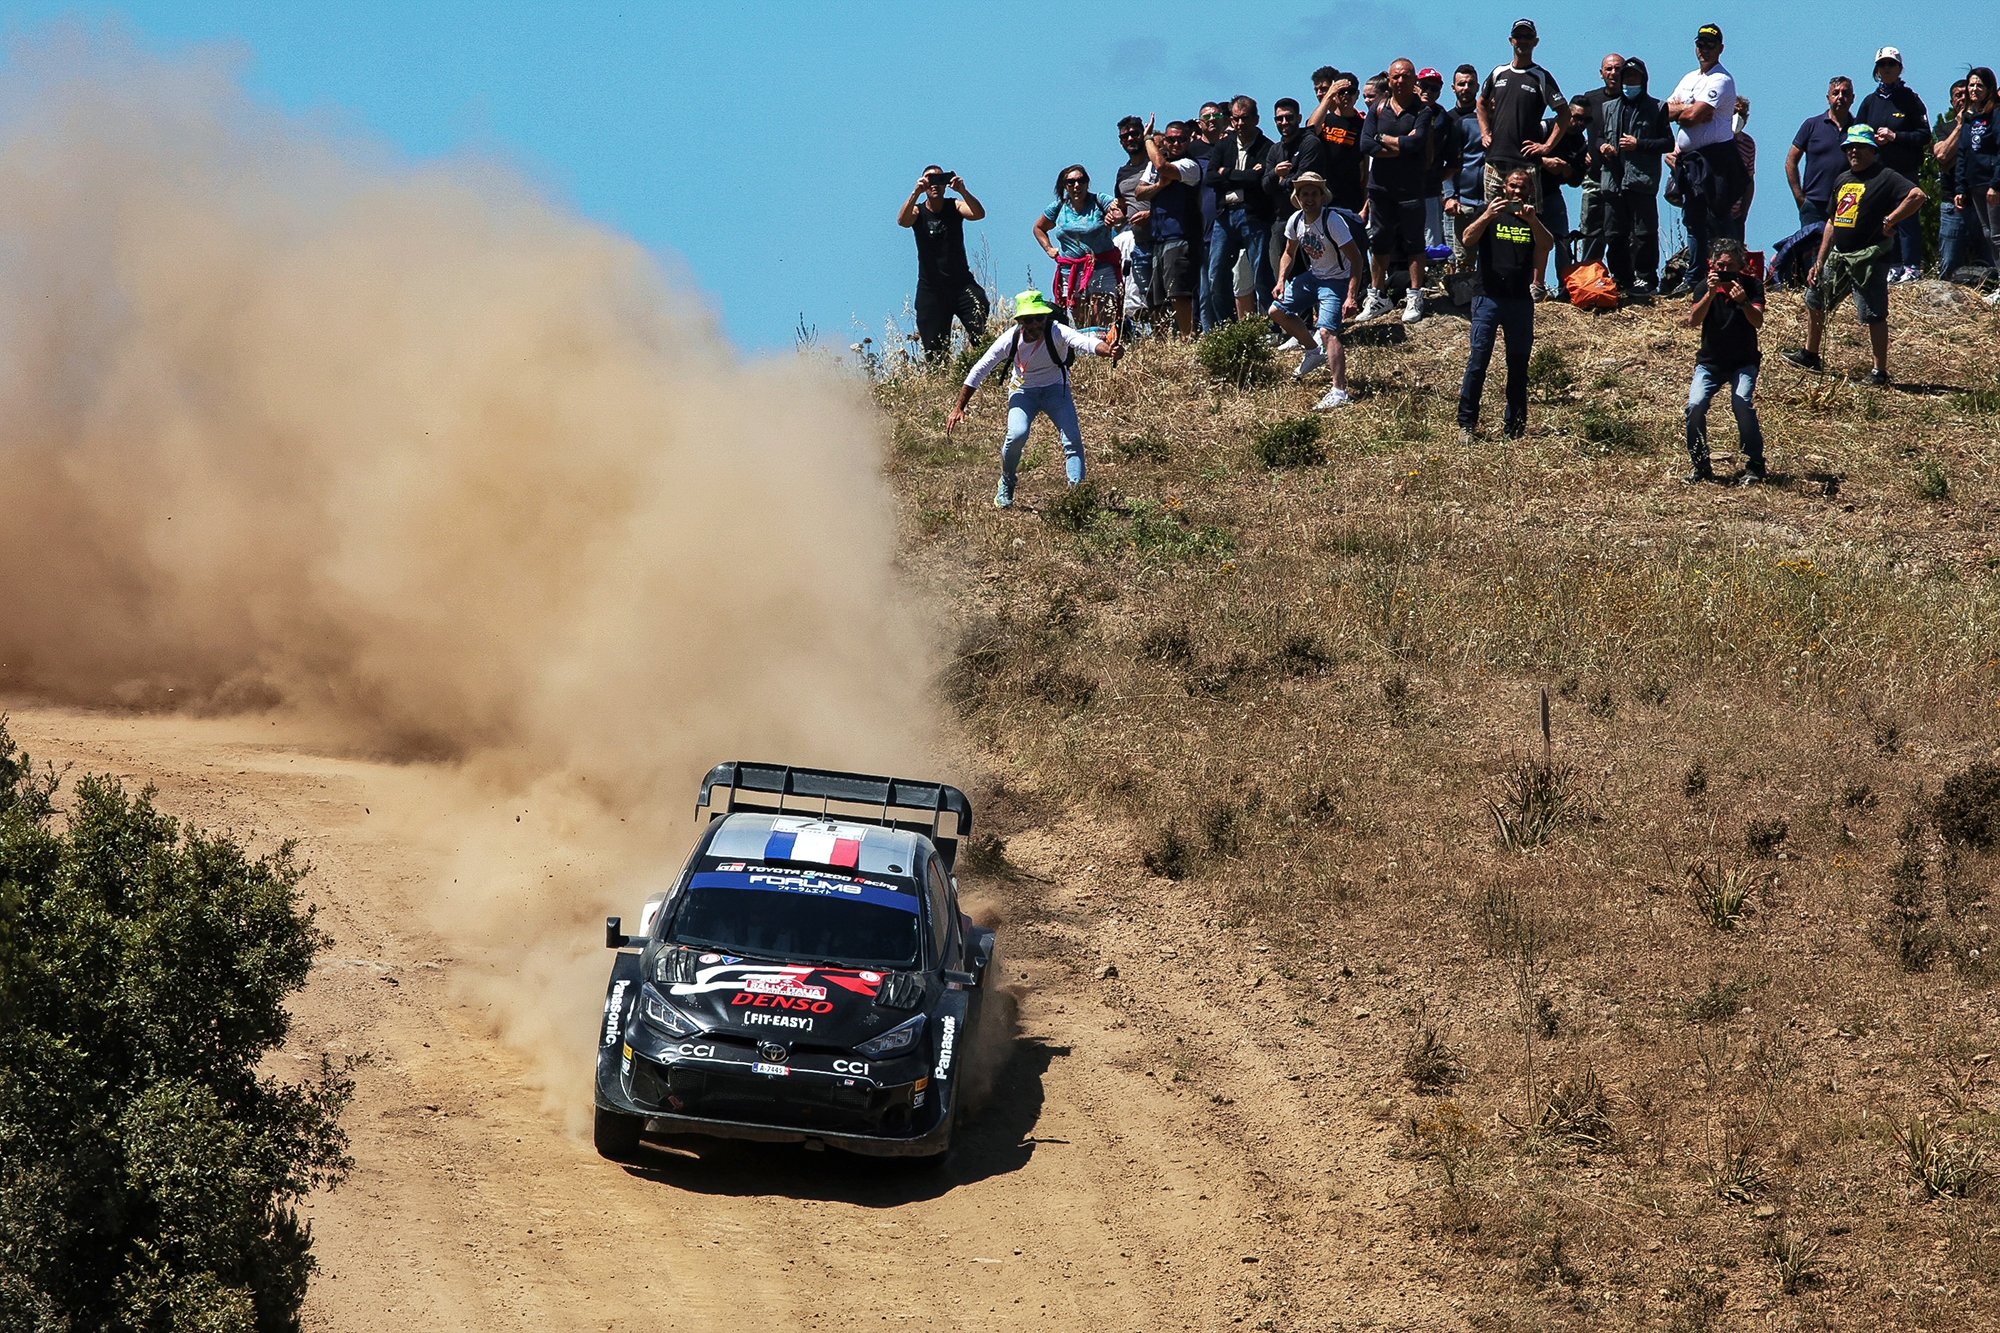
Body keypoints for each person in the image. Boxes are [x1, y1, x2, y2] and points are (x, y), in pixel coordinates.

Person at [946, 290, 1119, 509]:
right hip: (1023, 392)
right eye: (1029, 319)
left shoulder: (1057, 331)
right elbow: (981, 368)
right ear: (1020, 321)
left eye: (1040, 317)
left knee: (1072, 439)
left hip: (1056, 390)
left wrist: (1108, 351)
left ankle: (1078, 495)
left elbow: (1085, 342)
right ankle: (1007, 480)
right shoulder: (1010, 339)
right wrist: (959, 407)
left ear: (1047, 317)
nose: (1035, 323)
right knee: (1017, 435)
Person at [1784, 125, 1926, 385]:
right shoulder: (1843, 179)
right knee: (1815, 299)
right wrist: (1819, 260)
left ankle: (1879, 372)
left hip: (1869, 258)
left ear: (1872, 149)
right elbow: (1832, 221)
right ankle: (1810, 353)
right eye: (1849, 147)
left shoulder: (1885, 176)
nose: (1853, 151)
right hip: (1839, 255)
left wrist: (1891, 220)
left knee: (1874, 313)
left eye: (1859, 146)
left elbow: (1917, 195)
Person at [1457, 167, 1553, 443]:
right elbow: (1467, 240)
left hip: (1519, 301)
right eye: (1513, 186)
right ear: (1504, 188)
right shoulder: (1488, 212)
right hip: (1487, 296)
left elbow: (1546, 245)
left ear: (1530, 191)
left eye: (1523, 187)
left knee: (1519, 365)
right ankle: (1467, 424)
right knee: (1478, 360)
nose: (1517, 191)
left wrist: (1533, 221)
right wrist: (1488, 215)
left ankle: (1515, 428)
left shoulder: (1532, 217)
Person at [1267, 173, 1365, 410]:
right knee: (1276, 311)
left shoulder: (1332, 221)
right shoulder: (1296, 220)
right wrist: (1281, 281)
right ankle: (1313, 351)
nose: (1309, 199)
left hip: (1336, 281)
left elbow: (1357, 259)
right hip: (1314, 277)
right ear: (1297, 197)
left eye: (1314, 194)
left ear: (1322, 196)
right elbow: (1289, 252)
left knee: (1327, 331)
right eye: (1304, 194)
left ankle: (1339, 391)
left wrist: (1352, 296)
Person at [1682, 238, 1767, 486]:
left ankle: (1755, 463)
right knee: (1695, 405)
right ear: (1711, 265)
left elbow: (1758, 321)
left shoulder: (1752, 286)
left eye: (1729, 267)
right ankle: (1701, 465)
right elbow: (1693, 321)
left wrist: (1743, 302)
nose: (1723, 272)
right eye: (1719, 266)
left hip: (1744, 362)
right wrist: (1709, 294)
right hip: (1710, 363)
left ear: (1740, 265)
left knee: (1741, 403)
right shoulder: (1703, 287)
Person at [1360, 59, 1436, 323]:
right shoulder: (1378, 109)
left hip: (1411, 188)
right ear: (1389, 81)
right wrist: (1398, 146)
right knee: (1379, 241)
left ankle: (1415, 294)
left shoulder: (1422, 111)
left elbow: (1416, 143)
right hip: (1380, 187)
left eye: (1405, 76)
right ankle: (1377, 295)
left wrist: (1386, 142)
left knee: (1414, 241)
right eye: (1395, 77)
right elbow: (1366, 144)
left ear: (1414, 79)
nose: (1400, 81)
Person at [1593, 58, 1672, 294]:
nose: (1629, 82)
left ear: (1643, 80)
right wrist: (1602, 147)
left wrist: (1640, 144)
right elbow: (1598, 137)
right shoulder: (1609, 108)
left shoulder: (1657, 107)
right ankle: (1621, 278)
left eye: (1634, 78)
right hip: (1613, 180)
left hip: (1641, 181)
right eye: (1626, 78)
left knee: (1644, 233)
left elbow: (1668, 142)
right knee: (1615, 234)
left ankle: (1646, 279)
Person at [898, 166, 990, 362]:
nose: (935, 185)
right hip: (931, 290)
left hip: (961, 285)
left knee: (980, 314)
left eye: (939, 179)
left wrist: (963, 191)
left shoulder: (954, 206)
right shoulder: (918, 211)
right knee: (935, 353)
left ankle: (984, 366)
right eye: (930, 180)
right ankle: (941, 384)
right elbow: (903, 221)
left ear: (946, 184)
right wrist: (916, 192)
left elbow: (978, 214)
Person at [1478, 18, 1569, 208]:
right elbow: (1481, 103)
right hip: (1495, 160)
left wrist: (1546, 147)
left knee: (1527, 223)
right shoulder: (1499, 73)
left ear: (1535, 42)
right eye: (1519, 36)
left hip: (1526, 163)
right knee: (1491, 220)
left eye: (1528, 37)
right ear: (1511, 40)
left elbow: (1564, 113)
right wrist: (1485, 133)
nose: (1523, 41)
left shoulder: (1541, 77)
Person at [1858, 47, 1931, 281]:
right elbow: (1857, 134)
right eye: (1882, 65)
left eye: (1891, 64)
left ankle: (1912, 266)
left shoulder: (1911, 100)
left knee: (1907, 217)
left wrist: (1895, 137)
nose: (1886, 69)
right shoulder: (1870, 102)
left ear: (1900, 68)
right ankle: (1893, 264)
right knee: (1885, 219)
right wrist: (1872, 140)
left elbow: (1924, 135)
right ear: (1876, 70)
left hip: (1905, 171)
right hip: (1878, 171)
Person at [1205, 95, 1275, 331]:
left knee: (1262, 275)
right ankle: (1228, 329)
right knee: (1216, 275)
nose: (1239, 124)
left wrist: (1227, 173)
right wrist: (1238, 175)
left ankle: (1274, 328)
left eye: (1244, 118)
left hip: (1253, 215)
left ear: (1256, 118)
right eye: (1235, 119)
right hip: (1225, 215)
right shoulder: (1224, 144)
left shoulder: (1267, 147)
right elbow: (1211, 177)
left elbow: (1257, 179)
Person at [1135, 119, 1207, 336]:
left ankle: (1189, 338)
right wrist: (1158, 186)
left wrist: (1147, 139)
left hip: (1181, 236)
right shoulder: (1157, 161)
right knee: (1157, 298)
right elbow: (1139, 192)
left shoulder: (1190, 165)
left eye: (1182, 139)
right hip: (1158, 238)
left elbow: (1162, 167)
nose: (1176, 144)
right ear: (1165, 141)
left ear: (1189, 140)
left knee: (1179, 292)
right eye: (1172, 139)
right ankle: (1167, 342)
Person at [1035, 166, 1124, 329]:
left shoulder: (1099, 201)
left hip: (1101, 269)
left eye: (1081, 181)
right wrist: (1049, 249)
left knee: (1102, 320)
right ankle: (1089, 353)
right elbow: (1039, 228)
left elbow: (1118, 212)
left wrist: (1115, 217)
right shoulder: (1059, 207)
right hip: (1071, 273)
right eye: (1071, 182)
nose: (1076, 185)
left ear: (1087, 183)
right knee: (1082, 324)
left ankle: (1108, 350)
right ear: (1064, 185)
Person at [1936, 68, 2000, 283]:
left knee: (1997, 235)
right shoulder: (1969, 119)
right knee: (1987, 233)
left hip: (1992, 184)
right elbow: (1962, 154)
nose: (1974, 90)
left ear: (1989, 88)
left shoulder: (1996, 113)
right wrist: (1961, 187)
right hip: (1974, 185)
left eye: (1979, 85)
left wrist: (1997, 184)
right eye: (1971, 85)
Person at [1533, 95, 1588, 297]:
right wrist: (1544, 161)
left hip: (1552, 193)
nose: (1580, 123)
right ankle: (1533, 285)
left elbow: (1576, 180)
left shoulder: (1580, 142)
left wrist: (1565, 169)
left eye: (1585, 120)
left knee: (1562, 240)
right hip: (1529, 192)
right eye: (1576, 117)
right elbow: (1519, 152)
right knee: (1530, 240)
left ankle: (1566, 289)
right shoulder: (1544, 128)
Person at [1575, 53, 1626, 268]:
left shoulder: (1632, 101)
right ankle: (1586, 278)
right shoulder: (1590, 99)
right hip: (1594, 176)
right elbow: (1573, 126)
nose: (1613, 73)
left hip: (1623, 179)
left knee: (1622, 232)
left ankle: (1622, 280)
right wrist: (1580, 151)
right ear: (1601, 73)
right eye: (1609, 69)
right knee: (1590, 230)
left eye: (1618, 69)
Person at [1788, 77, 1856, 228]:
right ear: (1828, 98)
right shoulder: (1811, 125)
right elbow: (1791, 162)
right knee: (1813, 251)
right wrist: (1800, 198)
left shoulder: (1858, 129)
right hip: (1814, 205)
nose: (1840, 97)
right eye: (1835, 93)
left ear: (1852, 98)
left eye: (1845, 93)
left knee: (1843, 251)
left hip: (1847, 204)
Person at [1932, 80, 1978, 278]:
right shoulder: (1944, 128)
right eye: (1957, 95)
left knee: (1987, 260)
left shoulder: (1985, 125)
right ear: (1952, 102)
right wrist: (1961, 126)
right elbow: (1942, 157)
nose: (1962, 98)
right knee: (1950, 263)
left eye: (1965, 94)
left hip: (1981, 201)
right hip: (1952, 203)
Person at [1112, 117, 1156, 322]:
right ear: (1120, 141)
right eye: (1125, 136)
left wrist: (1151, 214)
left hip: (1162, 235)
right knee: (1143, 297)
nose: (1130, 138)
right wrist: (1116, 216)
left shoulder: (1155, 162)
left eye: (1134, 133)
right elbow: (1121, 204)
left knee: (1164, 294)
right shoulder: (1122, 172)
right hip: (1136, 241)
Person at [1443, 64, 1487, 267]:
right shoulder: (1448, 120)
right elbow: (1448, 161)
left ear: (1478, 87)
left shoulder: (1488, 120)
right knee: (1457, 256)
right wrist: (1450, 194)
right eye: (1461, 84)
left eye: (1470, 84)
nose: (1466, 88)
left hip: (1487, 200)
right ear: (1453, 87)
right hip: (1459, 200)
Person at [1418, 68, 1456, 252]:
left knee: (1430, 242)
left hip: (1430, 191)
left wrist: (1435, 177)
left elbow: (1454, 162)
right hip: (1401, 188)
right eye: (1424, 86)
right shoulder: (1403, 111)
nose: (1428, 91)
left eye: (1433, 88)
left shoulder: (1444, 119)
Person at [1732, 97, 1757, 229]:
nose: (1736, 118)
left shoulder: (1748, 144)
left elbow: (1749, 179)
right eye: (1733, 112)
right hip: (1710, 212)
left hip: (1735, 215)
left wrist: (1743, 214)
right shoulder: (1714, 137)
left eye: (1741, 114)